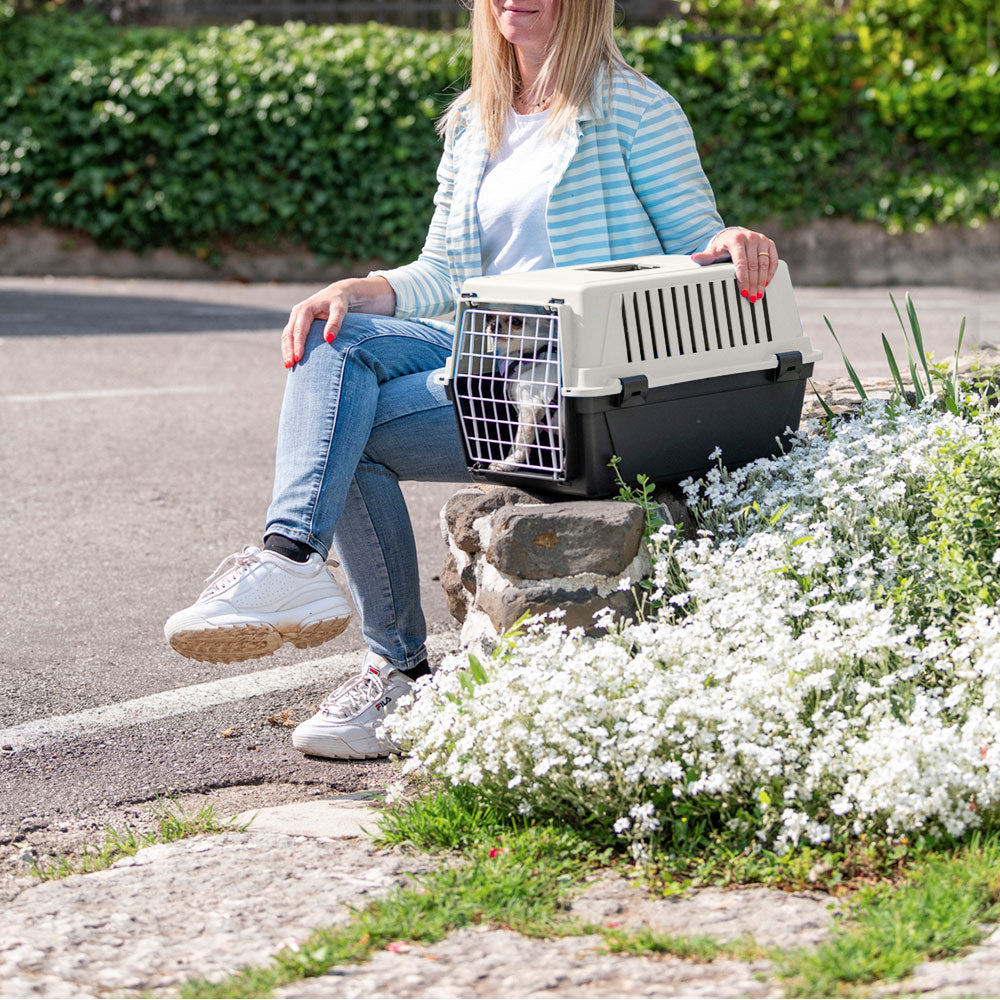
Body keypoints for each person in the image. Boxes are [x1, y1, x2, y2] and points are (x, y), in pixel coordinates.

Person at [164, 0, 780, 760]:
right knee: (336, 334)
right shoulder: (473, 119)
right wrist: (358, 288)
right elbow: (442, 274)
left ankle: (394, 665)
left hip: (571, 386)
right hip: (482, 354)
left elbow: (697, 241)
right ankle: (291, 559)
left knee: (341, 430)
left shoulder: (634, 109)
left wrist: (734, 241)